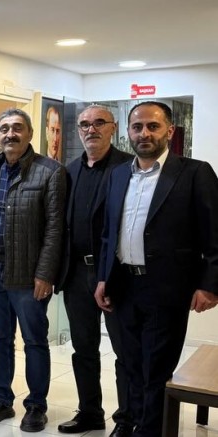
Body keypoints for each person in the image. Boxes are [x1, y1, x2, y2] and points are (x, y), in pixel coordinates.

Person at [95, 101, 218, 437]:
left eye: (153, 126)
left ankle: (150, 431)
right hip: (123, 286)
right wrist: (103, 277)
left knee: (156, 368)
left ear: (170, 131)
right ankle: (133, 421)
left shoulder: (195, 173)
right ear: (128, 132)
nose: (144, 133)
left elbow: (214, 234)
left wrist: (209, 285)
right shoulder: (118, 174)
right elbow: (108, 233)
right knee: (130, 363)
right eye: (137, 127)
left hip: (167, 288)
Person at [0, 108, 66, 433]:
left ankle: (36, 405)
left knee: (34, 340)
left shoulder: (50, 172)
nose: (10, 134)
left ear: (30, 133)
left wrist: (46, 273)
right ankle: (1, 399)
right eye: (4, 128)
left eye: (17, 128)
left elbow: (55, 228)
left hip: (28, 272)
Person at [55, 105, 133, 436]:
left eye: (99, 122)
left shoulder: (129, 167)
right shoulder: (69, 170)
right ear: (78, 130)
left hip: (116, 275)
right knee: (83, 348)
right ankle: (90, 412)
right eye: (85, 124)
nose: (91, 129)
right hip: (76, 273)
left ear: (113, 128)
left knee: (124, 352)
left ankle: (127, 418)